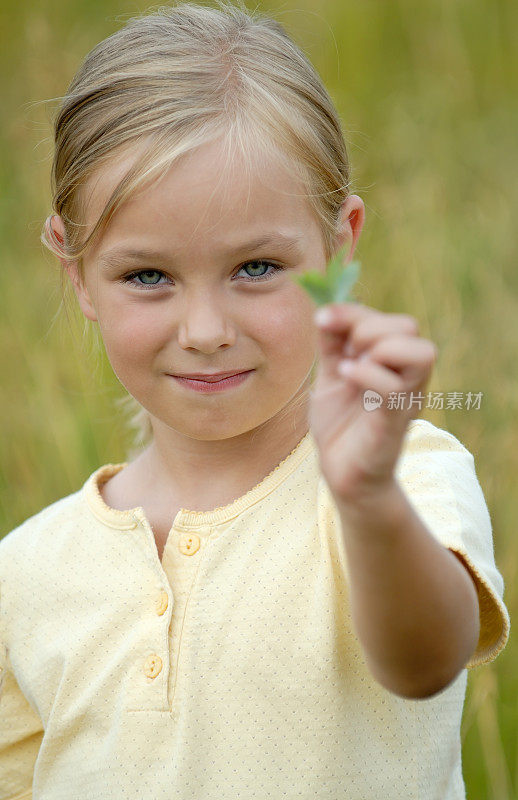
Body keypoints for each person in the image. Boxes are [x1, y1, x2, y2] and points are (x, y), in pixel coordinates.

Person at [0, 2, 510, 799]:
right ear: (77, 274)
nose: (205, 330)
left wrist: (369, 499)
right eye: (147, 277)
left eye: (257, 267)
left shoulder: (399, 478)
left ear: (339, 247)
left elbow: (425, 662)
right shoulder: (26, 571)